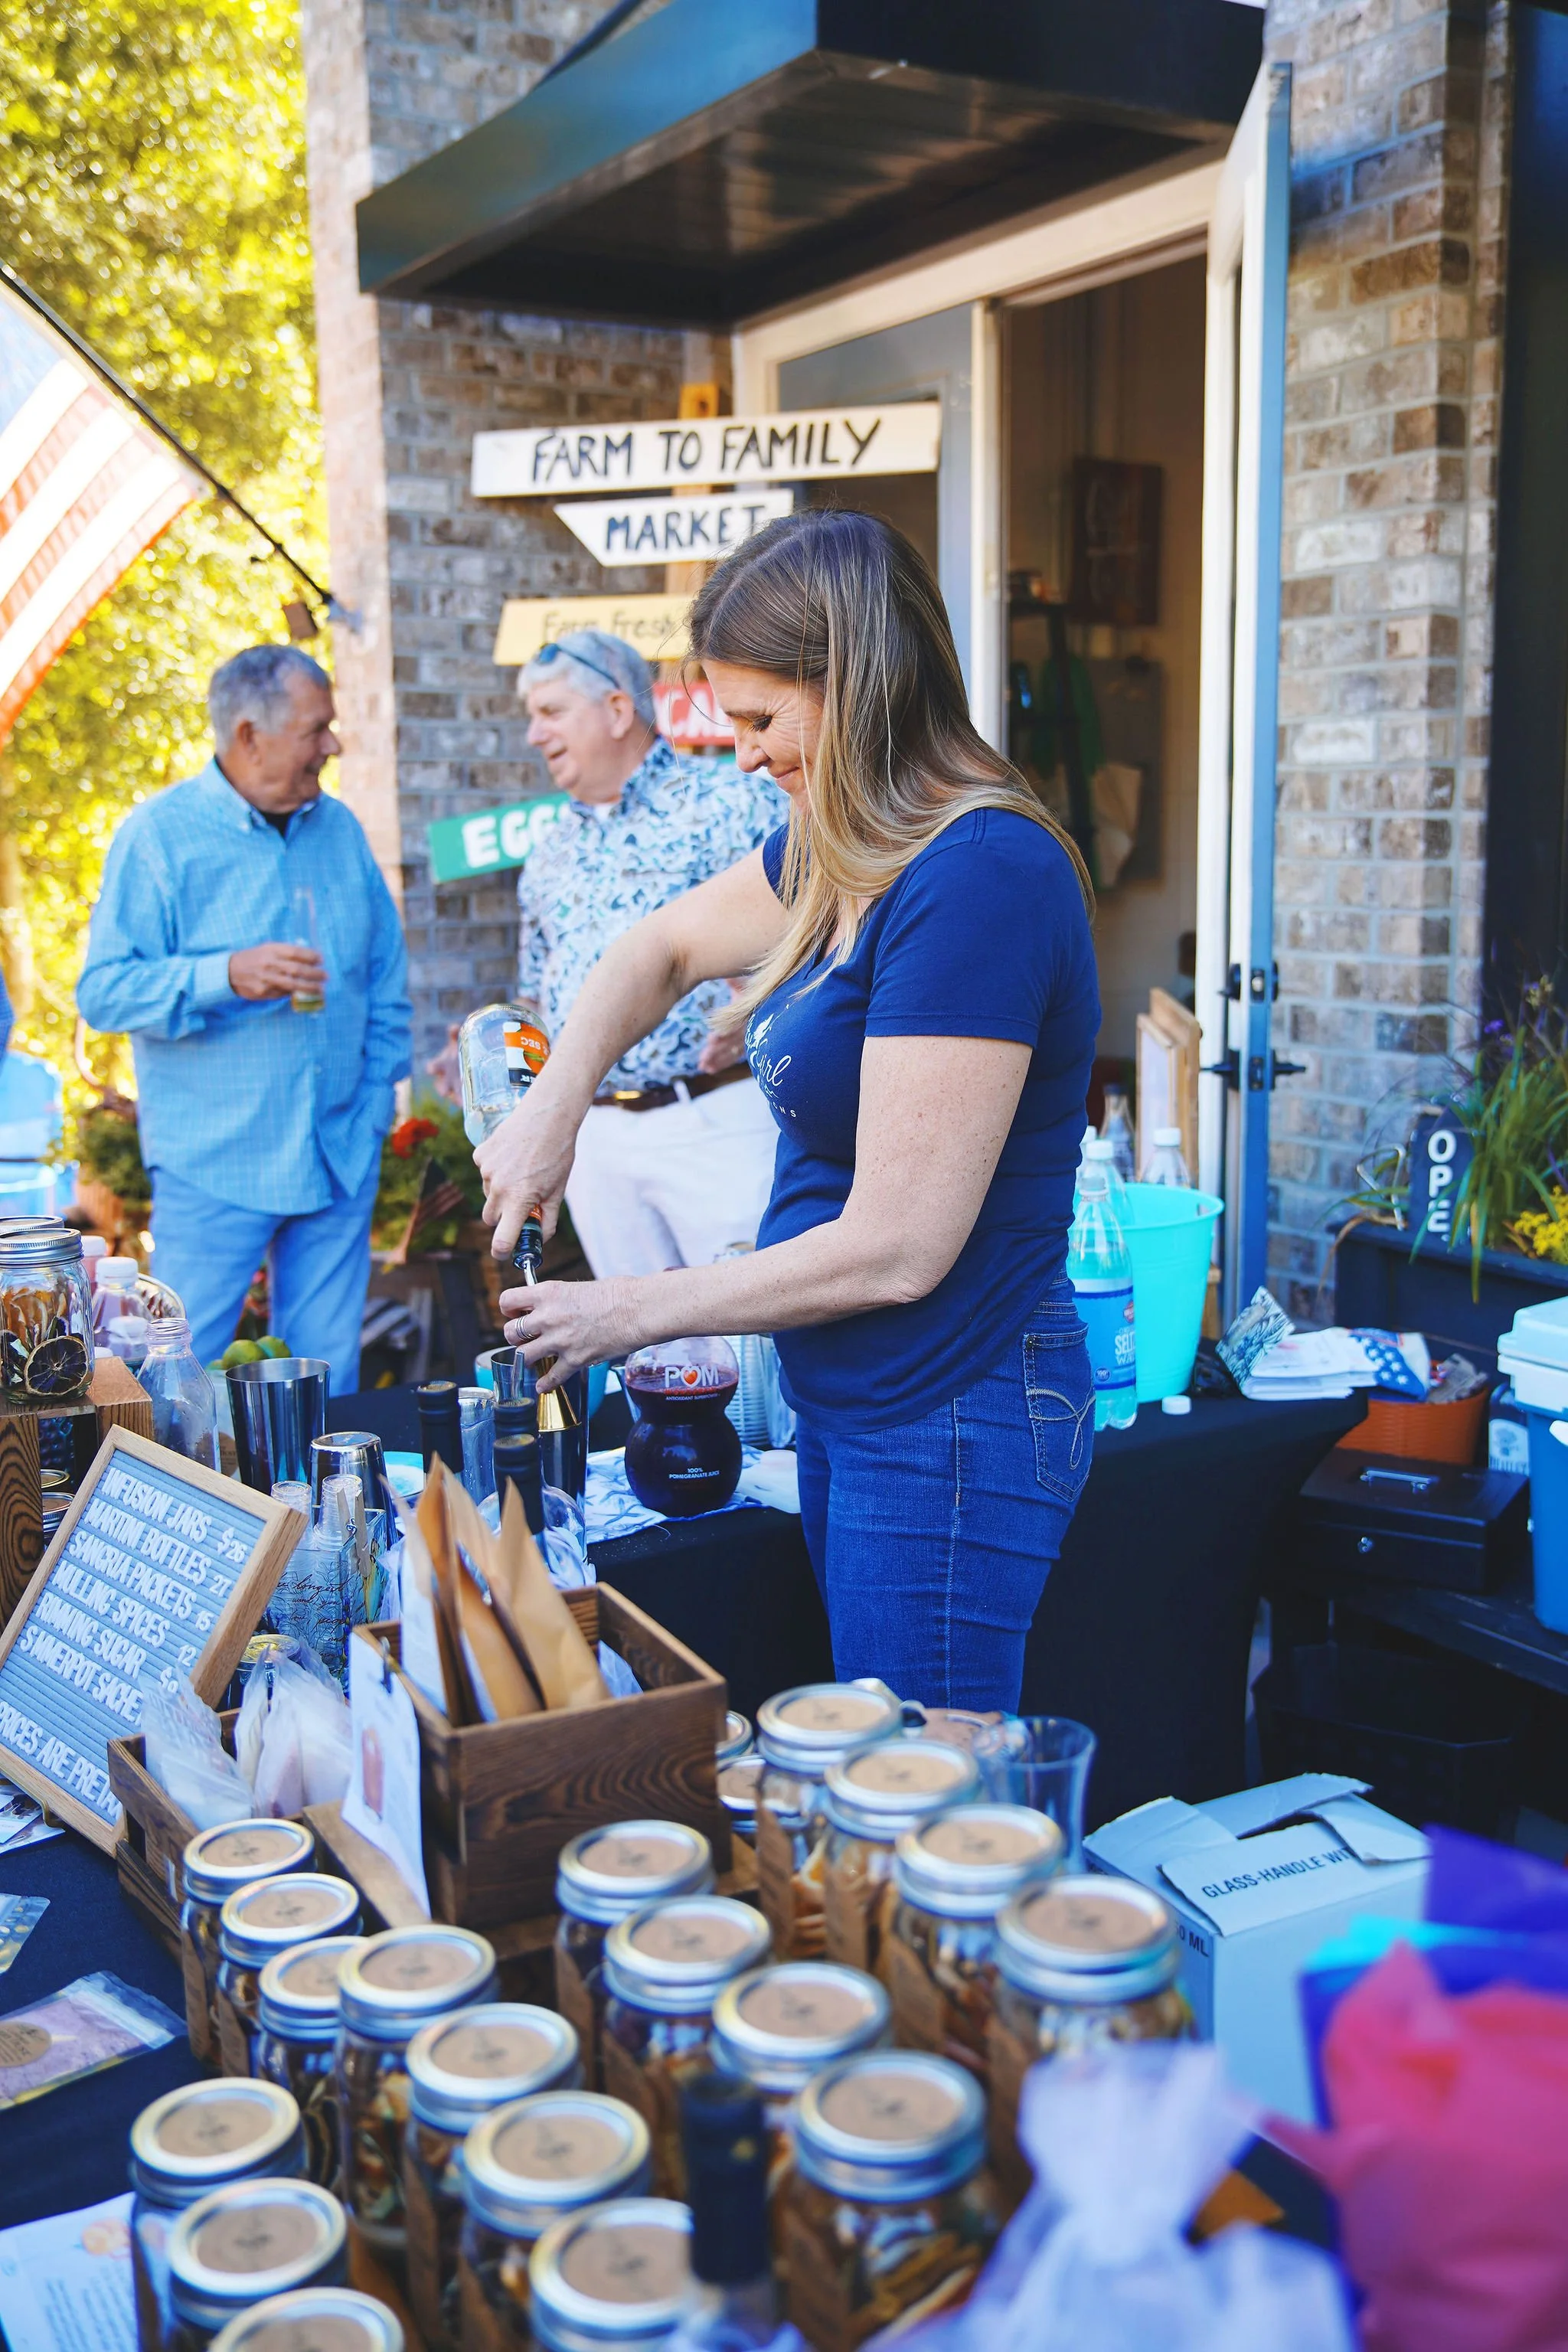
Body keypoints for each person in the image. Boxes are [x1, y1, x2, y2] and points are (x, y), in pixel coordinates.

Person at [475, 514, 1099, 1712]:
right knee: (883, 1769)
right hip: (866, 1398)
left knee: (930, 1808)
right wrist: (557, 1104)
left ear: (858, 680)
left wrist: (630, 1313)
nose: (747, 755)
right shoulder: (840, 844)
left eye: (765, 720)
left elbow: (899, 1245)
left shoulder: (977, 875)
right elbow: (655, 948)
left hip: (953, 1411)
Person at [77, 644, 411, 1390]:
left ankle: (322, 1508)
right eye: (316, 728)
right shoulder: (158, 838)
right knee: (175, 1379)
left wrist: (375, 1107)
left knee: (328, 1383)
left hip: (337, 1153)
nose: (332, 744)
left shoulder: (341, 832)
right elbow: (103, 992)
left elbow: (387, 980)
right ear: (249, 736)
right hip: (214, 1163)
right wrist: (222, 975)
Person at [503, 628, 785, 1276]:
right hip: (596, 1140)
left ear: (618, 711)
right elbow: (535, 987)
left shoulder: (732, 801)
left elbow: (824, 936)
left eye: (551, 713)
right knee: (641, 1356)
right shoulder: (548, 850)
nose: (534, 735)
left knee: (751, 1343)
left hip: (714, 1115)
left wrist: (765, 1008)